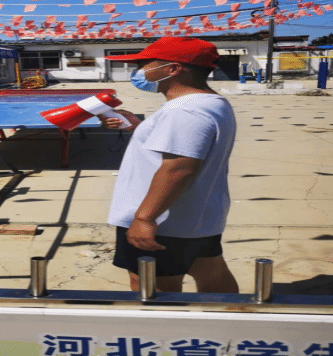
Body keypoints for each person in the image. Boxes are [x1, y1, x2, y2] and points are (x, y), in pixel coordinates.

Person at [101, 37, 239, 294]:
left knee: (151, 286)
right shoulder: (210, 103)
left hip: (165, 220)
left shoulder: (185, 110)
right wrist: (139, 127)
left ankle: (167, 325)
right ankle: (227, 316)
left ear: (173, 69)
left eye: (144, 64)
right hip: (194, 214)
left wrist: (144, 218)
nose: (138, 71)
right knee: (211, 273)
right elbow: (186, 148)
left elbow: (179, 168)